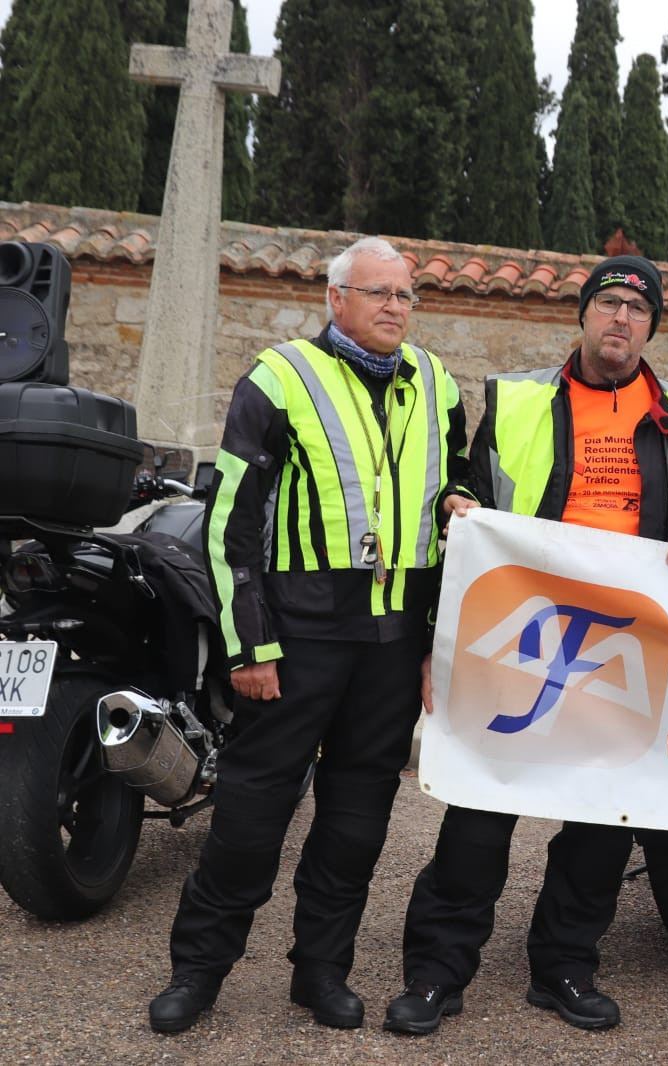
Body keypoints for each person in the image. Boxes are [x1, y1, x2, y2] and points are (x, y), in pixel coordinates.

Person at [382, 254, 668, 1036]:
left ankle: (565, 967)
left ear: (651, 327)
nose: (621, 320)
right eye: (608, 304)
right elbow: (461, 496)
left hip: (624, 649)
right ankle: (438, 971)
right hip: (516, 638)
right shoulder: (514, 400)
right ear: (582, 313)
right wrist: (456, 505)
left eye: (638, 311)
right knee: (479, 817)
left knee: (601, 825)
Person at [149, 236, 473, 1033]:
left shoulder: (436, 383)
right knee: (251, 819)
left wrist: (459, 502)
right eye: (378, 293)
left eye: (405, 294)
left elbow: (457, 475)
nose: (395, 307)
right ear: (337, 300)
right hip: (298, 637)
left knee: (356, 825)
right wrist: (249, 646)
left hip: (391, 643)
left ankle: (320, 972)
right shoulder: (279, 378)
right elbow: (230, 526)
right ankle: (198, 972)